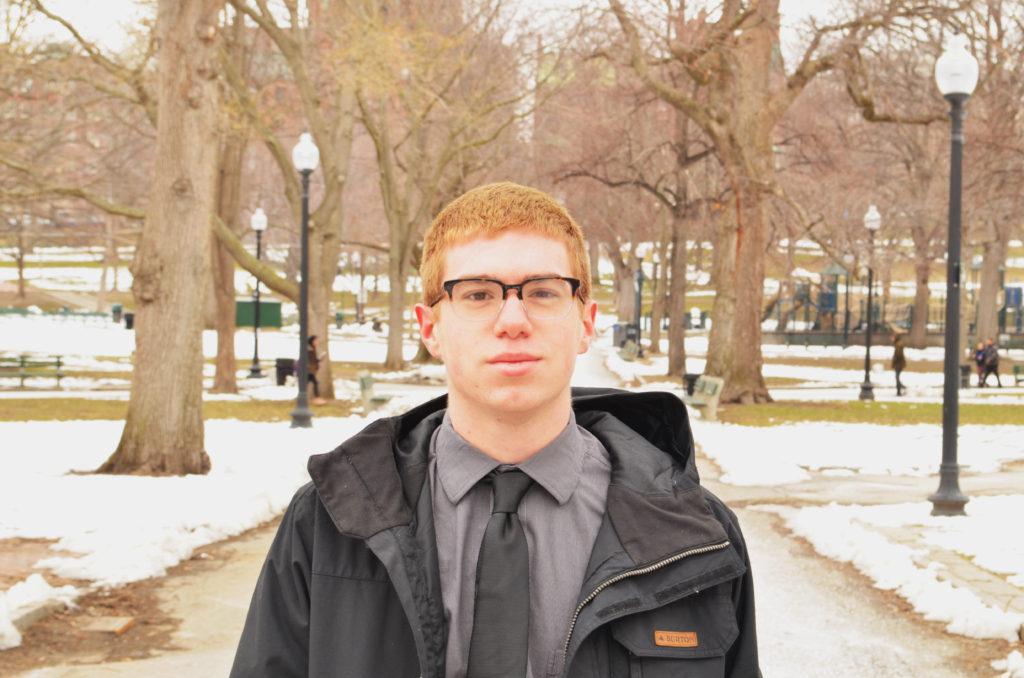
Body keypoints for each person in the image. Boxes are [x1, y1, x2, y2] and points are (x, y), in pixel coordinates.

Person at [230, 182, 760, 678]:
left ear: (586, 323)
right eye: (478, 294)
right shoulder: (328, 525)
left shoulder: (697, 537)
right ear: (430, 327)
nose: (512, 320)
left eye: (543, 292)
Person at [306, 335, 326, 405]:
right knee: (315, 383)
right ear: (312, 341)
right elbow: (311, 361)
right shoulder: (310, 349)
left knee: (310, 383)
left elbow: (314, 361)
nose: (317, 342)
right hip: (308, 371)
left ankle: (314, 398)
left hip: (310, 370)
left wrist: (320, 358)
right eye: (315, 341)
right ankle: (317, 398)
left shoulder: (312, 348)